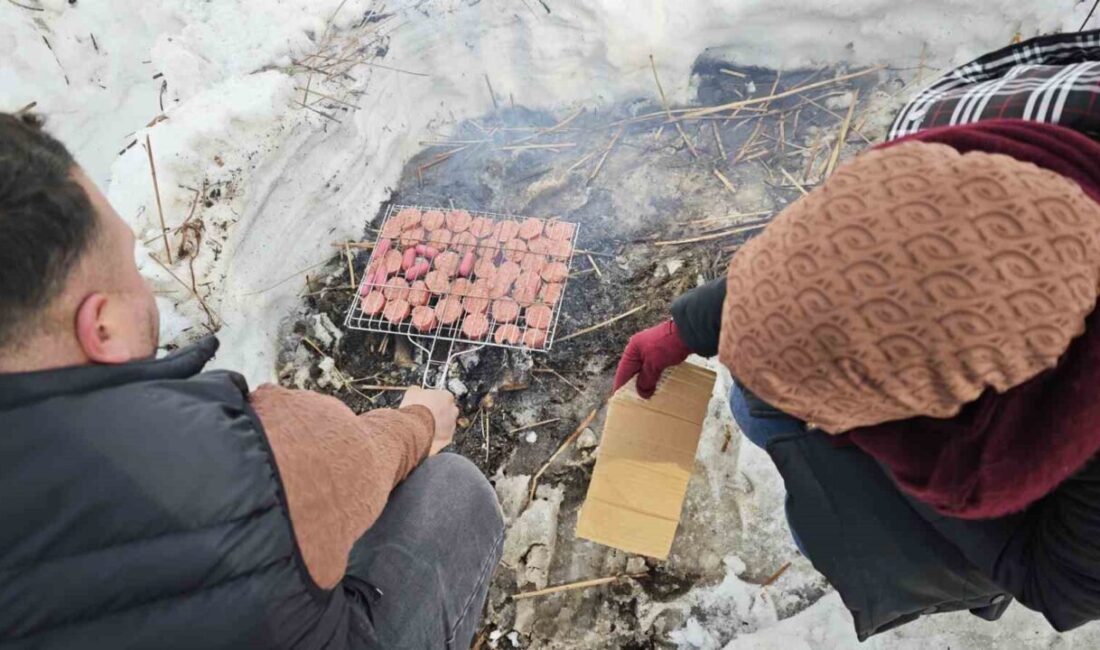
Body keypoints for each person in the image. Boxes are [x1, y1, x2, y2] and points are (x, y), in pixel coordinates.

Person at [616, 31, 1100, 641]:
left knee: (905, 544)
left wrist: (912, 479)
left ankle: (946, 581)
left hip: (1035, 513)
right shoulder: (955, 125)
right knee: (761, 397)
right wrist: (693, 323)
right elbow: (845, 247)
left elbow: (1064, 584)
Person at [0, 111, 503, 650]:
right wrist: (423, 421)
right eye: (129, 261)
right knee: (453, 492)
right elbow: (365, 456)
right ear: (102, 326)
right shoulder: (246, 454)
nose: (141, 277)